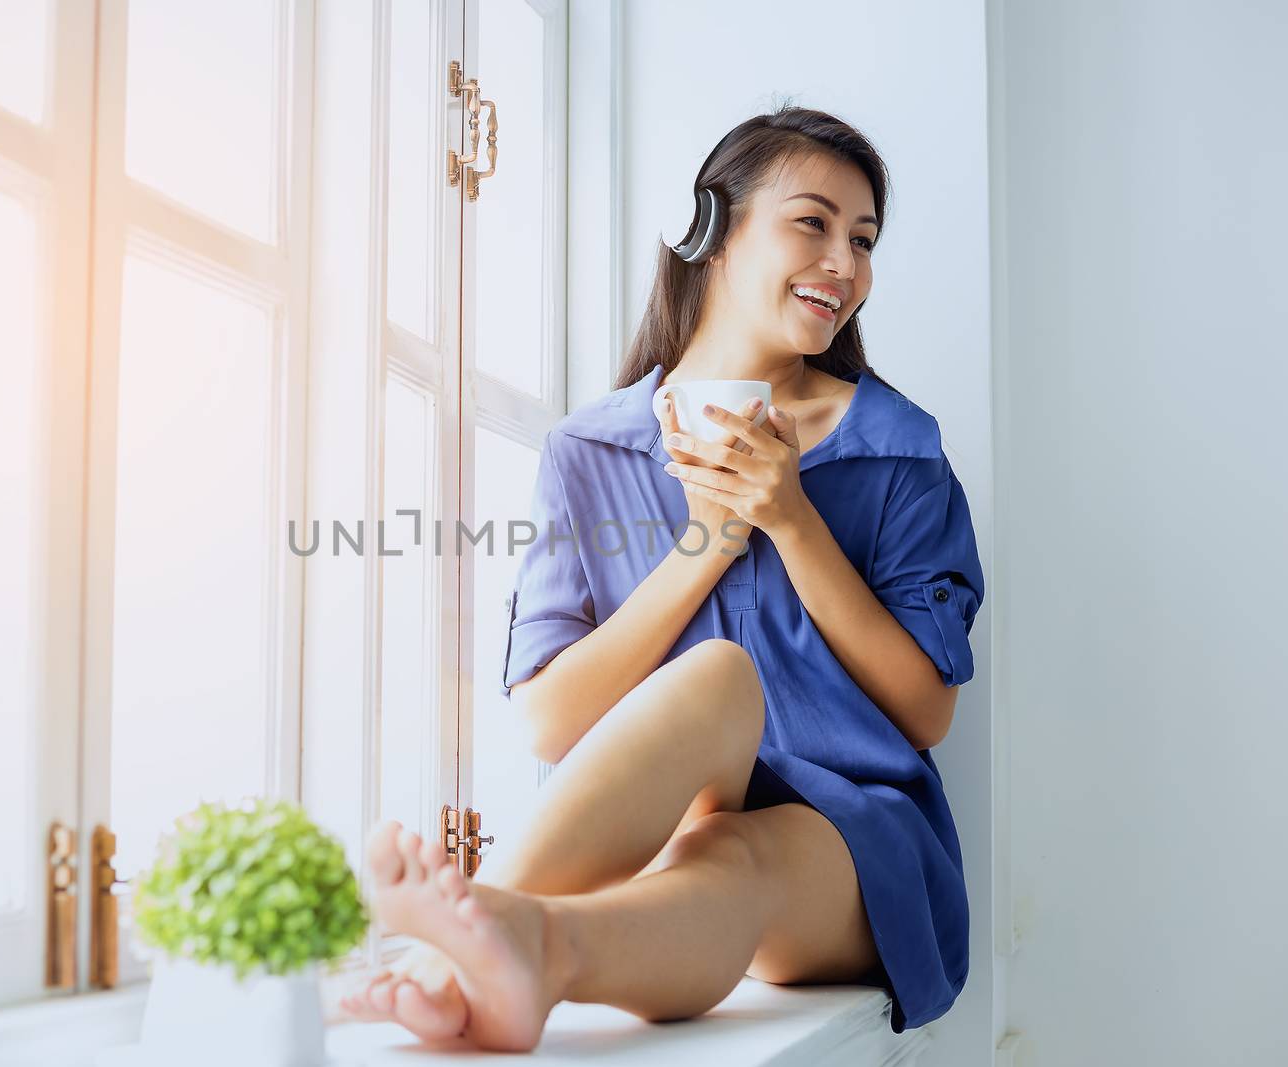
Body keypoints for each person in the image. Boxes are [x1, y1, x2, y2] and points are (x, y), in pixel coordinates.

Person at [334, 104, 984, 1052]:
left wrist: (790, 519)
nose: (845, 264)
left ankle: (469, 955)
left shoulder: (898, 450)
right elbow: (551, 721)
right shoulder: (588, 449)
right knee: (717, 678)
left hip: (852, 843)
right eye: (813, 223)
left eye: (864, 239)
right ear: (713, 233)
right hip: (655, 836)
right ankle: (495, 957)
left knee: (729, 851)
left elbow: (927, 713)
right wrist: (705, 546)